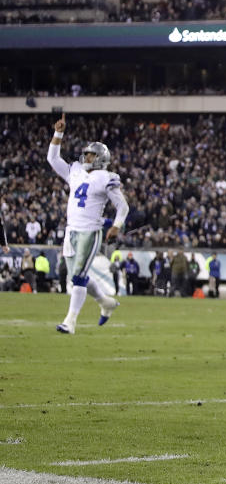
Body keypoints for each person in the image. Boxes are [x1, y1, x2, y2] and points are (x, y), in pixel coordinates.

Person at [46, 114, 127, 333]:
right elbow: (53, 159)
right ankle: (105, 302)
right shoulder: (75, 171)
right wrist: (58, 133)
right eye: (87, 153)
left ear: (100, 157)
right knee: (77, 276)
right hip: (71, 230)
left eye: (91, 154)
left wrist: (117, 225)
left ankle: (70, 322)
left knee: (79, 277)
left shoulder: (106, 177)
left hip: (90, 231)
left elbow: (122, 206)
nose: (87, 157)